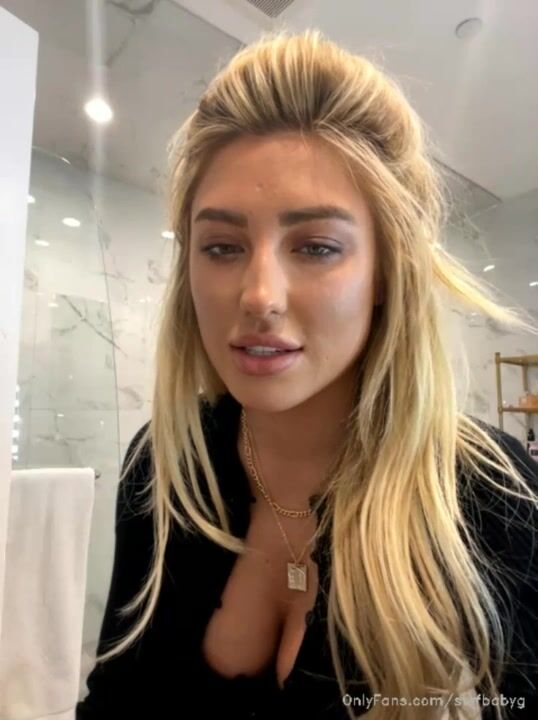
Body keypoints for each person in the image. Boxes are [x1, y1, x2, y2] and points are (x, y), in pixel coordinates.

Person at [76, 29, 537, 720]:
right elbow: (114, 702)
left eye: (317, 247)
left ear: (386, 274)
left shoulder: (487, 491)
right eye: (221, 247)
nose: (259, 296)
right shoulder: (167, 464)